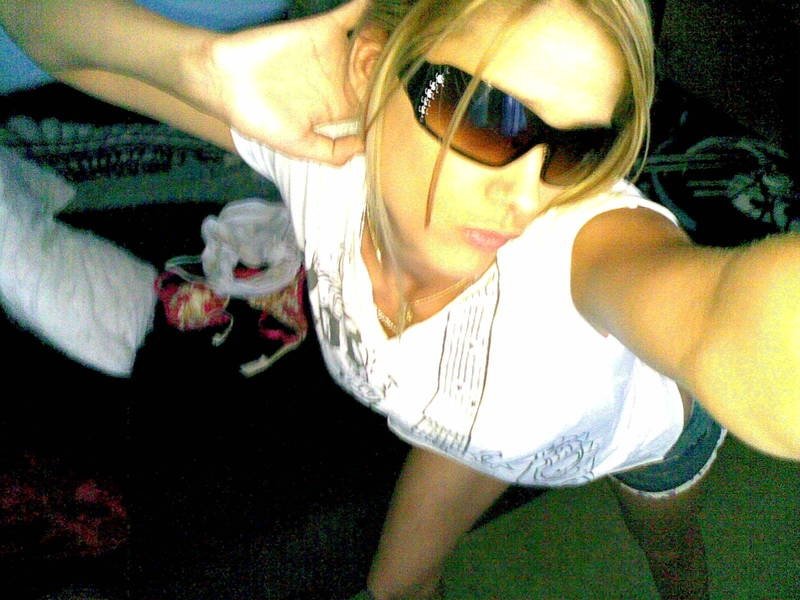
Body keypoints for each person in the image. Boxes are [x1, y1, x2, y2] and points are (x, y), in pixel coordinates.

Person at [2, 1, 799, 599]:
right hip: (469, 425)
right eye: (489, 115)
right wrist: (202, 64)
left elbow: (726, 320)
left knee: (670, 550)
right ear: (371, 69)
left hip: (642, 433)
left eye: (577, 149)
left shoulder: (584, 244)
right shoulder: (321, 161)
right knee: (393, 590)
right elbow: (44, 32)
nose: (527, 197)